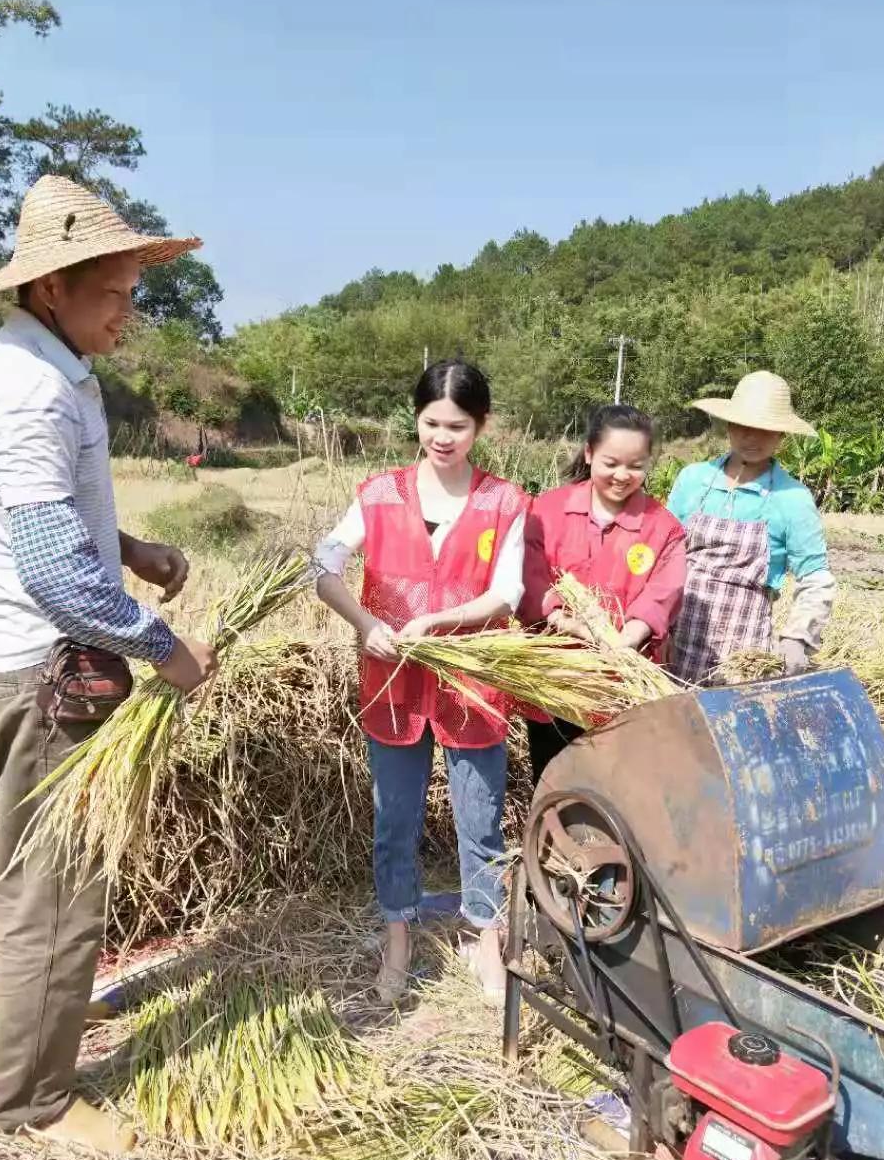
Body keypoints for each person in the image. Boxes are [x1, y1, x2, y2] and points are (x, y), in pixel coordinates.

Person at [0, 175, 218, 1155]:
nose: (128, 312)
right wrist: (164, 645)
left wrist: (133, 548)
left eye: (133, 293)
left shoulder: (48, 365)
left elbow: (62, 526)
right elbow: (55, 574)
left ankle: (51, 1022)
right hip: (35, 677)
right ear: (53, 287)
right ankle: (35, 1106)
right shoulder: (28, 393)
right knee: (54, 894)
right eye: (114, 293)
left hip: (34, 666)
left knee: (56, 882)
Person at [314, 360, 529, 1004]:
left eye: (458, 425)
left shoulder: (504, 501)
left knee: (481, 820)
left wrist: (443, 619)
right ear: (416, 420)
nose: (443, 436)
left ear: (481, 426)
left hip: (470, 683)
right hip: (393, 685)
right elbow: (324, 567)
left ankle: (483, 937)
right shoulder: (378, 493)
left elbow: (508, 591)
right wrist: (363, 620)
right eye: (432, 422)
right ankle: (399, 940)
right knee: (395, 821)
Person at [521, 404, 685, 786]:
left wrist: (626, 639)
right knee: (553, 780)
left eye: (636, 465)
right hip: (555, 678)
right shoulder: (547, 511)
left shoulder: (664, 528)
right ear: (590, 453)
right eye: (611, 462)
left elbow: (664, 591)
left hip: (620, 682)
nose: (623, 475)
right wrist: (567, 622)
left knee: (615, 787)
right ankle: (553, 843)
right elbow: (531, 579)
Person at [666, 370, 836, 686]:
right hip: (677, 637)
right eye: (743, 426)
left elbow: (815, 578)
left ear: (782, 435)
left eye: (765, 430)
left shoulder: (793, 498)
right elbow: (663, 554)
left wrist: (798, 637)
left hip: (743, 650)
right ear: (729, 426)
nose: (752, 438)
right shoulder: (693, 479)